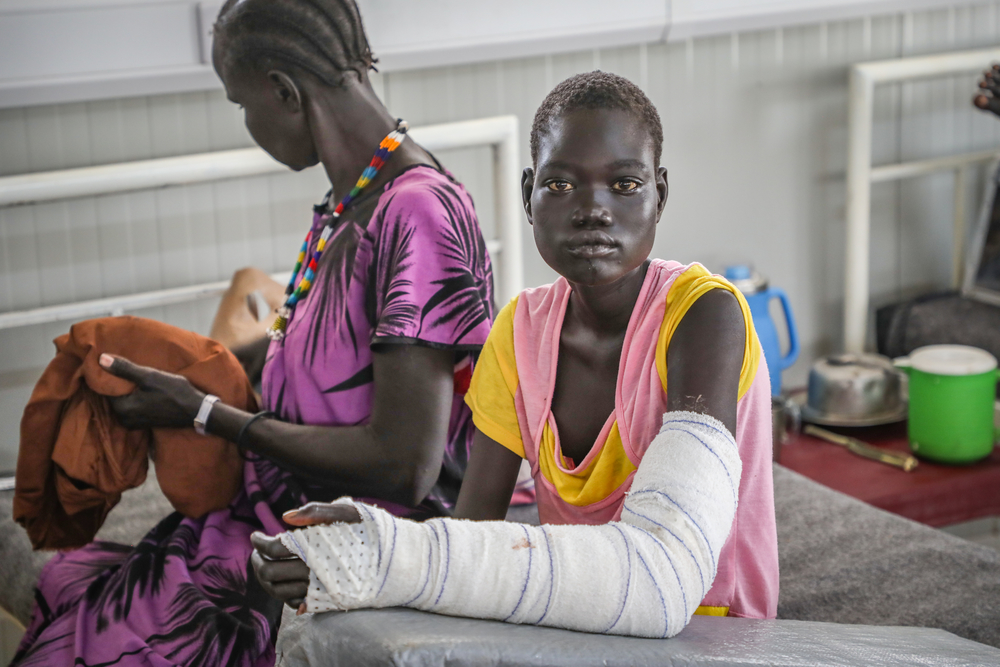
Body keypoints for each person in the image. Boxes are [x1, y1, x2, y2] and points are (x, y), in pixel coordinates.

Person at [12, 0, 493, 665]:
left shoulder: (416, 213)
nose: (247, 123)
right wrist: (190, 374)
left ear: (284, 92)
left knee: (97, 641)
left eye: (241, 104)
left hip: (356, 538)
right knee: (78, 593)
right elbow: (312, 340)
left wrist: (206, 413)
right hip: (278, 511)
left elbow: (406, 466)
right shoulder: (350, 201)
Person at [251, 72, 778, 636]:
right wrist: (357, 554)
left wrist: (392, 556)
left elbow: (663, 580)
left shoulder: (705, 315)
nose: (593, 210)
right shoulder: (520, 332)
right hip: (577, 630)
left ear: (660, 195)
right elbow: (469, 540)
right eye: (560, 184)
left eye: (625, 184)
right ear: (529, 195)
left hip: (713, 637)